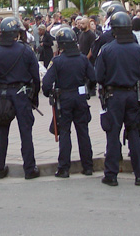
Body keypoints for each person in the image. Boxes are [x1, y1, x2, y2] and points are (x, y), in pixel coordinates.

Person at [95, 11, 140, 187]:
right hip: (133, 95)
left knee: (113, 134)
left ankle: (111, 174)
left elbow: (99, 76)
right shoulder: (139, 50)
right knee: (134, 133)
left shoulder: (107, 50)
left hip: (113, 96)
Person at [0, 17, 40, 179]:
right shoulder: (26, 51)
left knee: (2, 131)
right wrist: (34, 97)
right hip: (22, 95)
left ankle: (0, 168)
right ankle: (29, 168)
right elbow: (35, 77)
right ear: (16, 33)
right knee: (25, 132)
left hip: (4, 96)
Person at [42, 27, 95, 178]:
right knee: (83, 132)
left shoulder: (57, 61)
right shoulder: (83, 59)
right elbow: (93, 77)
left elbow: (46, 83)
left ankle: (64, 168)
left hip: (64, 98)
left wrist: (49, 94)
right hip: (80, 98)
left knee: (65, 133)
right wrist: (86, 90)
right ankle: (88, 166)